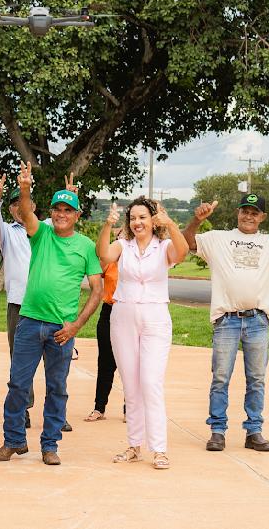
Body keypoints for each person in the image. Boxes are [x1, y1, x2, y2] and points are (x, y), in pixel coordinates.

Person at [0, 163, 103, 466]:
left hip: (61, 330)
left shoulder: (86, 247)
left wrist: (77, 325)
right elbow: (26, 212)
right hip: (29, 321)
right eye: (57, 209)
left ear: (77, 215)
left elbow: (97, 290)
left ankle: (50, 445)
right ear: (51, 212)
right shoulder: (41, 234)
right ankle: (13, 441)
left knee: (57, 389)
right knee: (17, 385)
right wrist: (24, 188)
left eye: (68, 210)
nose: (61, 214)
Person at [182, 193, 269, 452]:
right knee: (220, 377)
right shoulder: (218, 238)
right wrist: (196, 220)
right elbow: (186, 244)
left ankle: (254, 431)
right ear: (237, 213)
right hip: (226, 320)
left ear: (262, 217)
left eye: (254, 212)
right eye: (245, 211)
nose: (248, 216)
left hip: (258, 321)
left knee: (257, 379)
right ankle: (217, 431)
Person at [0, 171, 78, 432]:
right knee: (21, 364)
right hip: (20, 306)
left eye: (21, 203)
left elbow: (66, 225)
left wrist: (72, 197)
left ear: (31, 206)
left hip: (52, 307)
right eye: (13, 205)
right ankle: (23, 409)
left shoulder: (47, 229)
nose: (18, 208)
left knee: (56, 365)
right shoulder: (7, 233)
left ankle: (57, 413)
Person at [96, 197, 188, 469]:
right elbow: (103, 256)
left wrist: (170, 223)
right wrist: (107, 225)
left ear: (152, 220)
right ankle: (134, 445)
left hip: (156, 318)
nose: (137, 222)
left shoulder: (164, 246)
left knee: (151, 382)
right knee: (132, 386)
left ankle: (159, 449)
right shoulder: (122, 246)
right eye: (133, 218)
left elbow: (182, 253)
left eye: (143, 217)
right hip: (123, 316)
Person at [84, 257, 118, 423]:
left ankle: (130, 410)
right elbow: (98, 270)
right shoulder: (112, 260)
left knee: (132, 364)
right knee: (105, 363)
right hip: (109, 311)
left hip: (131, 313)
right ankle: (99, 408)